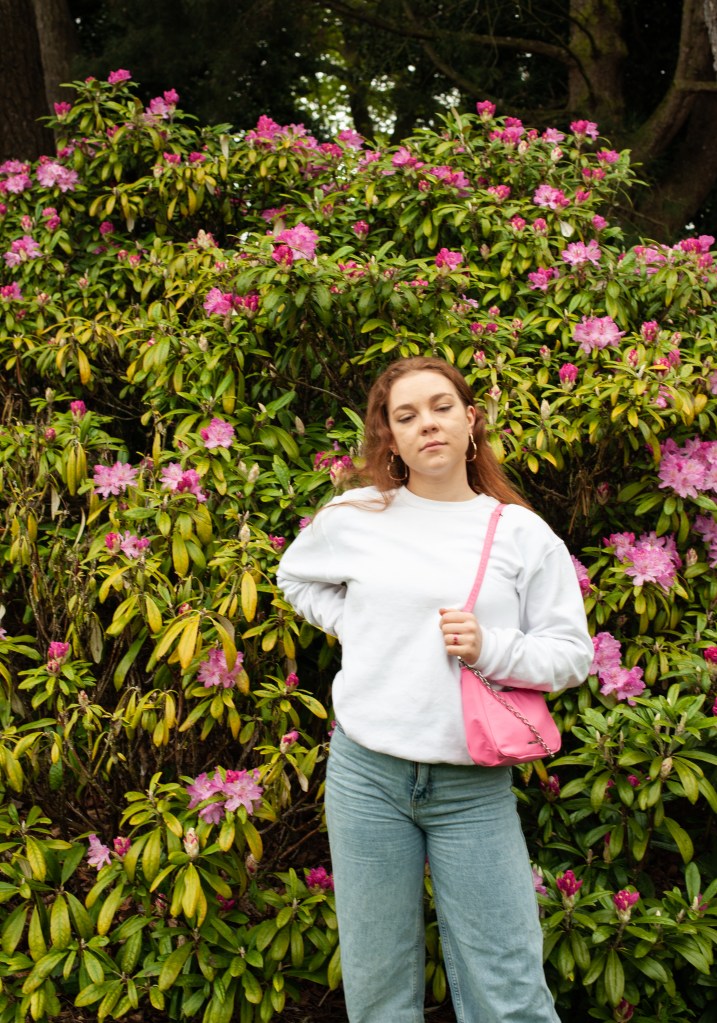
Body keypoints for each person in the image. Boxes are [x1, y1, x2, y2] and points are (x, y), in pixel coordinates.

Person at [276, 356, 593, 1023]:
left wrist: (490, 647)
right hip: (366, 776)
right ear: (389, 438)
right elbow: (295, 577)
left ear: (470, 419)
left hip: (470, 787)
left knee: (508, 989)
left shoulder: (519, 532)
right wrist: (359, 626)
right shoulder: (355, 515)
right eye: (407, 415)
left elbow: (571, 656)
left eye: (441, 406)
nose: (427, 423)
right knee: (378, 987)